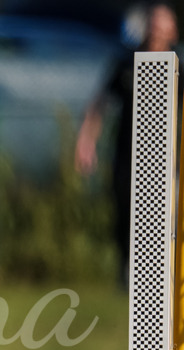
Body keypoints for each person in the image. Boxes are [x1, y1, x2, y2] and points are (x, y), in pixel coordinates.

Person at [75, 3, 179, 276]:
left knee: (163, 218)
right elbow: (99, 105)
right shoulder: (127, 63)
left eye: (163, 25)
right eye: (153, 24)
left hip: (167, 158)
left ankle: (159, 270)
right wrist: (86, 143)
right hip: (127, 155)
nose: (157, 31)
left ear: (174, 31)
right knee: (125, 212)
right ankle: (127, 270)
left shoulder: (178, 67)